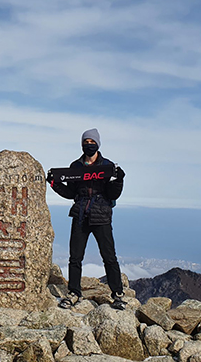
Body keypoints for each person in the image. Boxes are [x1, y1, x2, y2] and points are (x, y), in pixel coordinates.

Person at [47, 128, 127, 310]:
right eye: (86, 142)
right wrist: (54, 183)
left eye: (92, 142)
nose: (89, 145)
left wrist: (119, 179)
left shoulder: (107, 165)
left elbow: (113, 193)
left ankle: (118, 295)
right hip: (81, 214)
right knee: (75, 257)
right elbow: (70, 193)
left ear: (98, 144)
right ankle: (74, 293)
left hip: (101, 215)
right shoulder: (75, 167)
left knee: (109, 256)